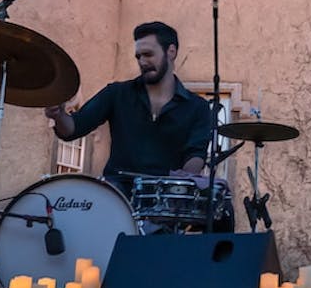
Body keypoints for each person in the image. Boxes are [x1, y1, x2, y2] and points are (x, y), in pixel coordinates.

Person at [45, 21, 212, 198]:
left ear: (171, 52)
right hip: (116, 195)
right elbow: (73, 128)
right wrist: (58, 115)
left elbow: (196, 154)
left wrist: (183, 181)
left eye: (148, 54)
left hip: (164, 198)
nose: (142, 62)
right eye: (138, 56)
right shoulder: (116, 93)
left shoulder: (197, 107)